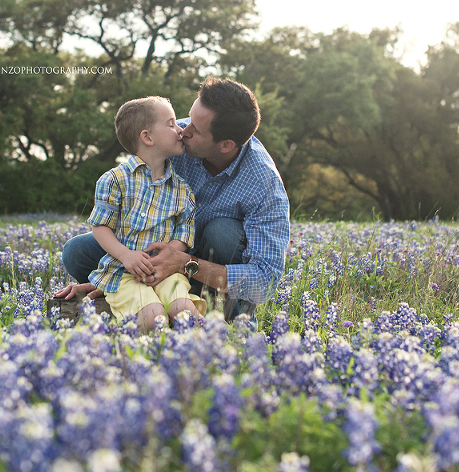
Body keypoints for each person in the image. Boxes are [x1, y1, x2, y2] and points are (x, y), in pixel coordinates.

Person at [55, 77, 290, 326]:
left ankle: (226, 317)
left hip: (209, 267)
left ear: (226, 145)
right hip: (155, 249)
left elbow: (265, 281)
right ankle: (136, 291)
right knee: (77, 251)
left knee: (222, 232)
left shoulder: (264, 183)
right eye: (187, 118)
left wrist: (186, 264)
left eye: (195, 130)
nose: (182, 130)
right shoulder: (171, 140)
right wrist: (114, 273)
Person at [76, 95, 206, 332]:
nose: (181, 129)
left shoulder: (183, 190)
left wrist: (164, 260)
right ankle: (148, 360)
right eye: (171, 123)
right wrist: (126, 256)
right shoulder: (114, 180)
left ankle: (204, 352)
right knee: (153, 316)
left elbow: (184, 234)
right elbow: (100, 226)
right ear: (147, 137)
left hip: (167, 272)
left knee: (184, 311)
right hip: (123, 273)